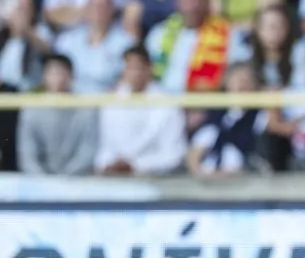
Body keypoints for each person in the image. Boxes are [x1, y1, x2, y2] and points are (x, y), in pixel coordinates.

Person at [94, 45, 188, 175]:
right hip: (114, 179)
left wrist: (136, 165)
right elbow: (105, 148)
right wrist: (109, 164)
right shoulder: (112, 102)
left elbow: (174, 154)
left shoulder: (167, 104)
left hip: (156, 179)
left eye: (138, 68)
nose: (134, 73)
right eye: (129, 67)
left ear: (149, 68)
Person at [17, 53, 98, 174]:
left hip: (77, 182)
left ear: (71, 76)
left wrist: (64, 180)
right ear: (44, 77)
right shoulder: (31, 109)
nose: (57, 79)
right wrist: (43, 181)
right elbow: (27, 154)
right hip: (38, 183)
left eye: (61, 73)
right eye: (52, 73)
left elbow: (87, 151)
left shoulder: (87, 109)